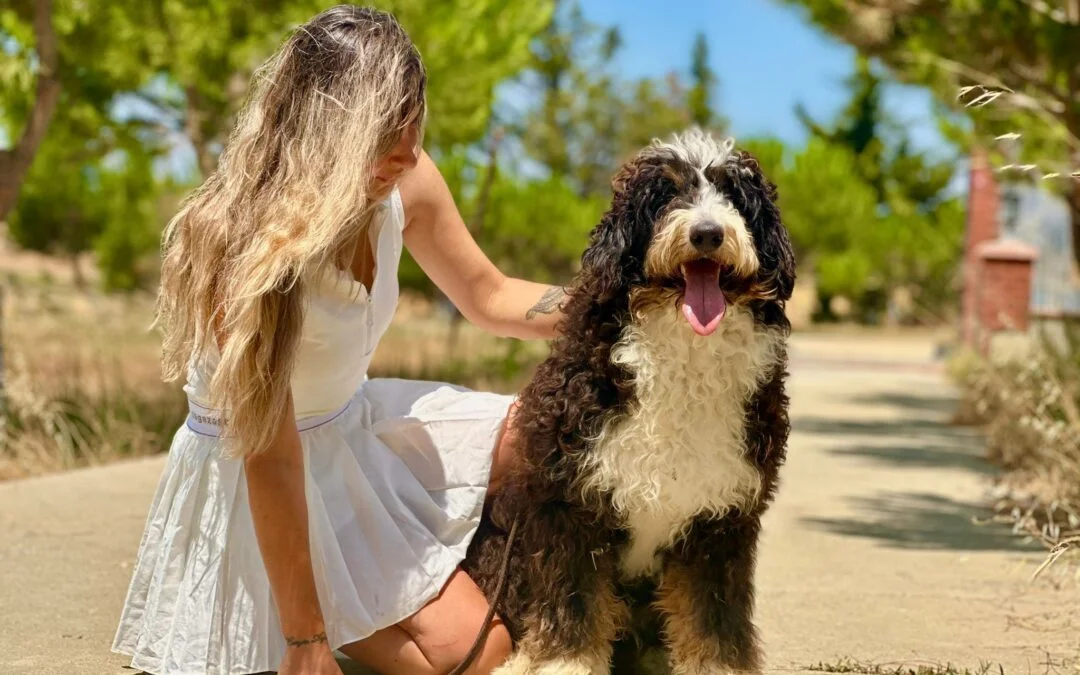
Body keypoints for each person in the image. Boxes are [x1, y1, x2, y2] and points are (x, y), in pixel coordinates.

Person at [112, 6, 568, 675]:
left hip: (348, 429)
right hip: (260, 477)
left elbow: (489, 294)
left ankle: (419, 563)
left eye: (412, 126)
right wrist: (304, 638)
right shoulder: (238, 243)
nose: (409, 152)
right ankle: (319, 601)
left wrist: (625, 302)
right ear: (327, 130)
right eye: (387, 131)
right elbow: (271, 455)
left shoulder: (404, 176)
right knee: (467, 654)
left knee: (547, 431)